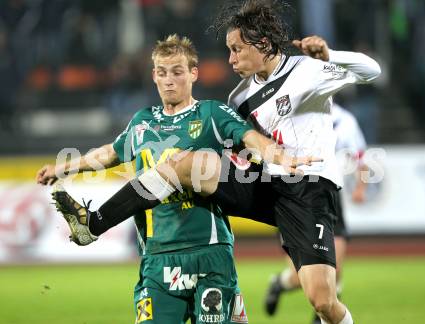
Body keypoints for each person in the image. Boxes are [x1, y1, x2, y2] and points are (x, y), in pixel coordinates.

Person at [39, 1, 380, 323]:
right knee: (183, 164)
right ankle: (94, 223)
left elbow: (372, 70)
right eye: (230, 50)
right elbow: (246, 144)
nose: (230, 59)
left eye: (236, 49)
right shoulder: (239, 96)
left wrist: (330, 55)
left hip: (306, 188)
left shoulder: (306, 72)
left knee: (322, 299)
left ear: (261, 44)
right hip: (262, 184)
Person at [36, 34, 306, 324]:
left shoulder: (211, 114)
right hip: (158, 256)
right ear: (154, 75)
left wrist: (277, 155)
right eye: (162, 73)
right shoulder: (142, 122)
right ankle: (94, 224)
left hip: (210, 252)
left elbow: (250, 137)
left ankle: (95, 223)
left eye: (177, 72)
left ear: (193, 73)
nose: (169, 80)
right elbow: (109, 154)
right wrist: (64, 167)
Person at [264, 102, 369, 323]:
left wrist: (361, 187)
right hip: (296, 195)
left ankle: (321, 317)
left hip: (330, 194)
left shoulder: (345, 120)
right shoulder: (293, 110)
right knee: (298, 276)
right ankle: (279, 284)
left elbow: (362, 158)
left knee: (335, 269)